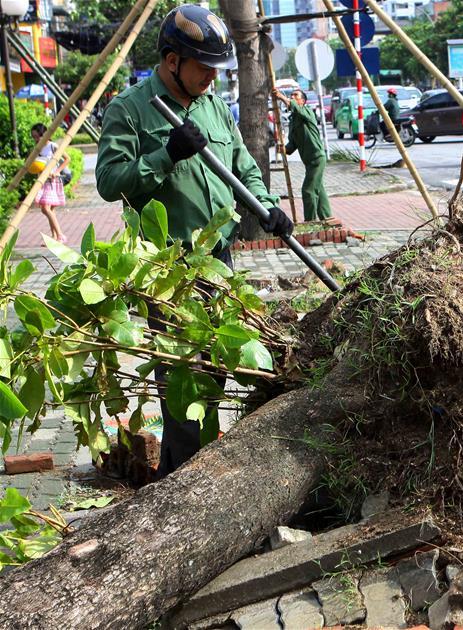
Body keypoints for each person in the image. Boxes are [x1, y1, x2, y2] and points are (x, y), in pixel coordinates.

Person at [96, 4, 294, 478]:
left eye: (216, 69)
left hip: (218, 259)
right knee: (185, 378)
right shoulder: (132, 109)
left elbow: (242, 165)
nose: (211, 77)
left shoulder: (212, 107)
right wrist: (164, 156)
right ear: (171, 61)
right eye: (203, 67)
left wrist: (267, 206)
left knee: (220, 367)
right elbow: (108, 180)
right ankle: (187, 484)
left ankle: (184, 470)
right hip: (168, 270)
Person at [273, 88, 332, 222]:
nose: (293, 97)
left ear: (303, 101)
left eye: (296, 95)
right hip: (308, 161)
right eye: (292, 95)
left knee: (308, 190)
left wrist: (282, 97)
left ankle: (310, 222)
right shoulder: (293, 121)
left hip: (317, 158)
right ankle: (327, 217)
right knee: (318, 189)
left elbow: (297, 108)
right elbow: (292, 144)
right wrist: (283, 149)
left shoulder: (307, 112)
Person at [30, 123, 70, 244]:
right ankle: (54, 236)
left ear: (45, 135)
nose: (36, 139)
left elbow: (67, 159)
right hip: (44, 181)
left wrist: (57, 172)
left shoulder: (53, 146)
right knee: (49, 209)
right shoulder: (38, 148)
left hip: (52, 181)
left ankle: (60, 235)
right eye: (34, 137)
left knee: (45, 208)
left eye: (38, 136)